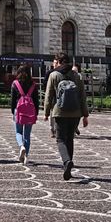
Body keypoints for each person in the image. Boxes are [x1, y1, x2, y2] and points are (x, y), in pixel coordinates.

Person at [44, 52, 89, 180]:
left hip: (60, 112)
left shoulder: (54, 75)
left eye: (54, 61)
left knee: (60, 139)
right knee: (70, 139)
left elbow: (48, 96)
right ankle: (68, 166)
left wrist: (46, 113)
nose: (53, 63)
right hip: (75, 113)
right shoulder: (76, 75)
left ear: (59, 62)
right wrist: (85, 115)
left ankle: (66, 162)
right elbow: (82, 96)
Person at [11, 64, 40, 164]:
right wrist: (36, 112)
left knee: (18, 132)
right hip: (30, 112)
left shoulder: (15, 84)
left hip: (18, 111)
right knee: (27, 134)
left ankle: (21, 146)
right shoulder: (33, 85)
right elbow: (36, 100)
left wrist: (13, 111)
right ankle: (26, 156)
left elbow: (12, 100)